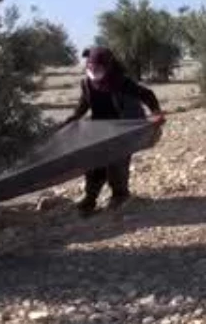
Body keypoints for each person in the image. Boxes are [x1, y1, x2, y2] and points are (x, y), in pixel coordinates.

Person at [60, 46, 164, 216]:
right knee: (93, 164)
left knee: (117, 164)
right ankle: (90, 198)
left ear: (108, 67)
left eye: (98, 68)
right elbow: (84, 104)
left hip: (122, 129)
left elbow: (147, 94)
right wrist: (73, 118)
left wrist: (156, 112)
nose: (94, 71)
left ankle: (120, 196)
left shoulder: (121, 82)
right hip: (99, 129)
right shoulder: (86, 83)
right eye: (91, 68)